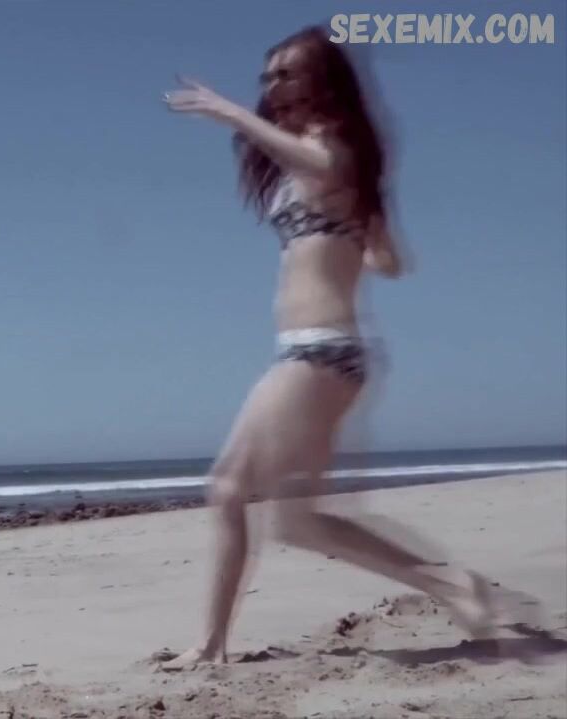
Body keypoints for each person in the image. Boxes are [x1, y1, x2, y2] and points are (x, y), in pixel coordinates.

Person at [158, 26, 495, 670]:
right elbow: (391, 262)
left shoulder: (333, 148)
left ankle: (210, 646)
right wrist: (350, 236)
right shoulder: (331, 164)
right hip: (323, 352)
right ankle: (456, 587)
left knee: (227, 487)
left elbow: (326, 169)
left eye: (287, 72)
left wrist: (231, 113)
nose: (272, 85)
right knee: (300, 521)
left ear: (323, 79)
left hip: (317, 352)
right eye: (268, 76)